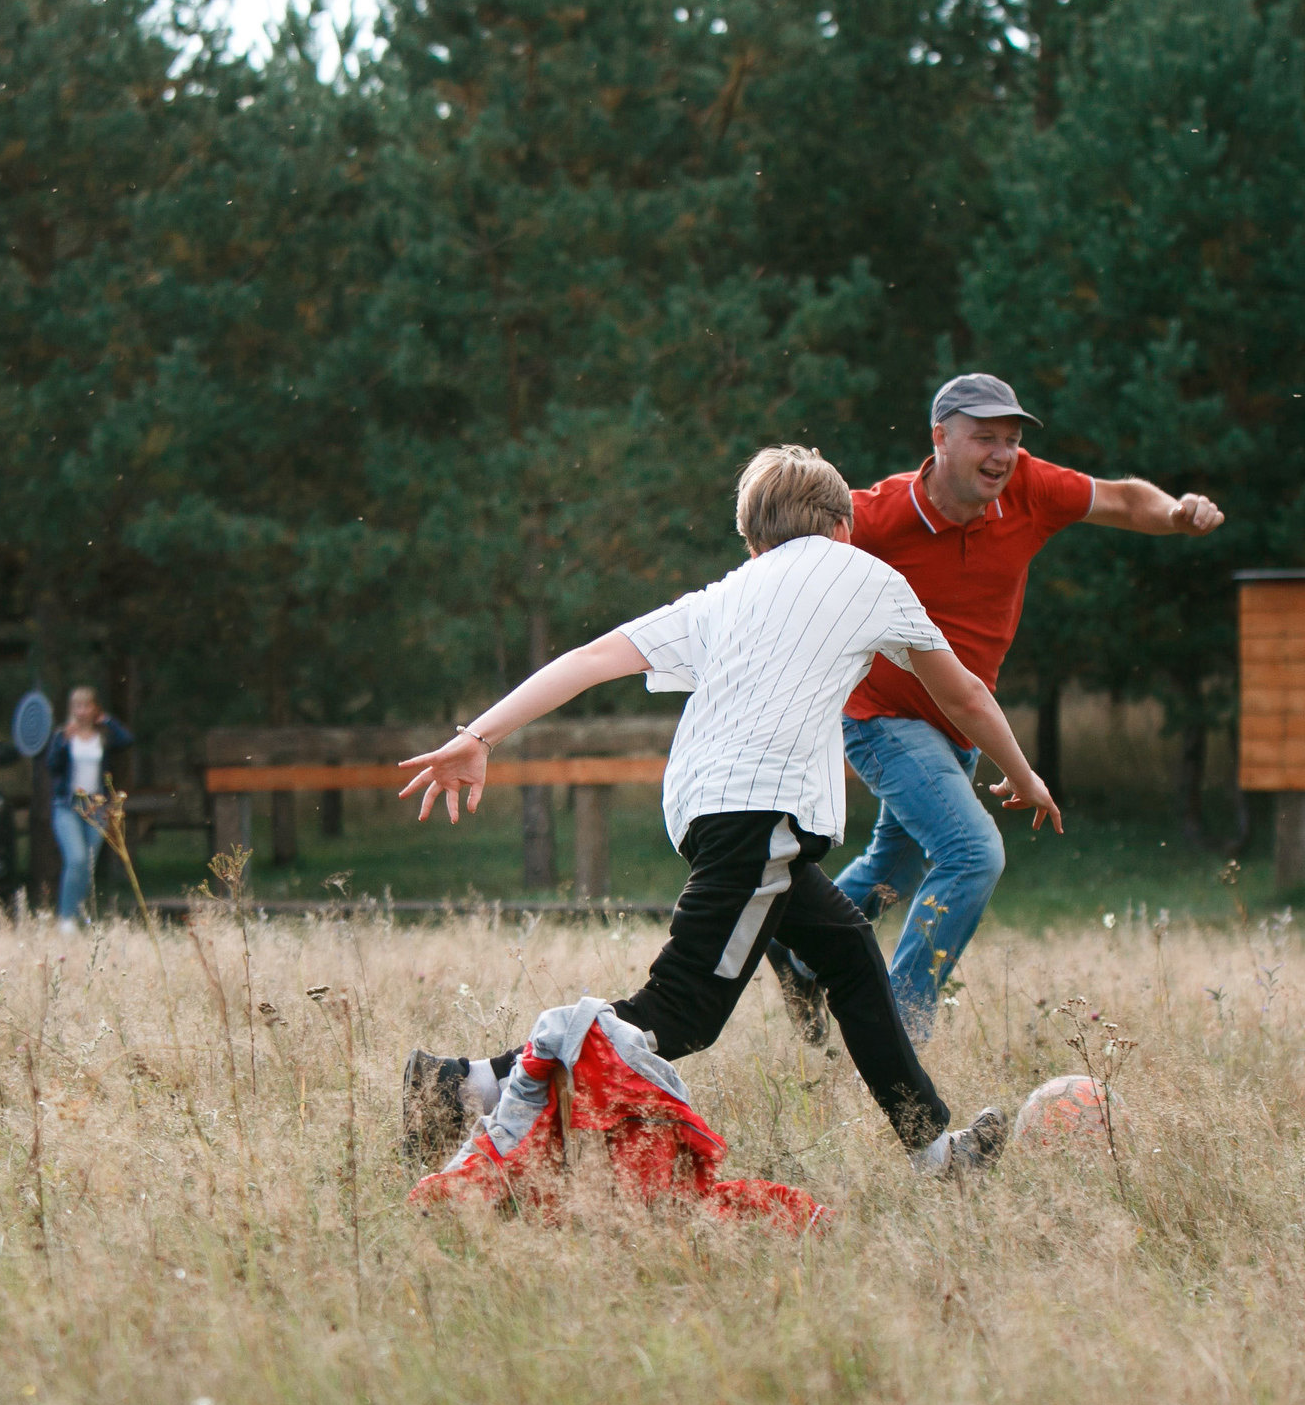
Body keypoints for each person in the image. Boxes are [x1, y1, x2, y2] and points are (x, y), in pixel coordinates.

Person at [398, 445, 1063, 1180]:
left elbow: (588, 658)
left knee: (847, 950)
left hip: (708, 808)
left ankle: (937, 1153)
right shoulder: (867, 575)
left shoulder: (725, 594)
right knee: (682, 1011)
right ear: (845, 525)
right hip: (760, 810)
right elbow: (964, 694)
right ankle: (461, 1087)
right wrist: (1024, 775)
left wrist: (476, 734)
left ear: (754, 540)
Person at [769, 373, 1225, 1042]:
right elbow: (786, 560)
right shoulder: (877, 515)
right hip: (881, 717)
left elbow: (1126, 499)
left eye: (1010, 439)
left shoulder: (1031, 489)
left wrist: (1176, 513)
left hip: (961, 723)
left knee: (894, 869)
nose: (1001, 454)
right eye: (985, 437)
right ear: (940, 439)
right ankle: (894, 1033)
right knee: (972, 853)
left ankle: (798, 948)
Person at [42, 687, 133, 934]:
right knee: (76, 858)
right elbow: (52, 766)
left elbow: (127, 740)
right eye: (77, 707)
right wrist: (63, 743)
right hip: (68, 805)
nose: (82, 712)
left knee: (88, 863)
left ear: (94, 708)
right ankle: (66, 919)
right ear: (72, 710)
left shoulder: (102, 736)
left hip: (96, 806)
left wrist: (108, 720)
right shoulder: (63, 735)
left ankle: (78, 913)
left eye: (87, 706)